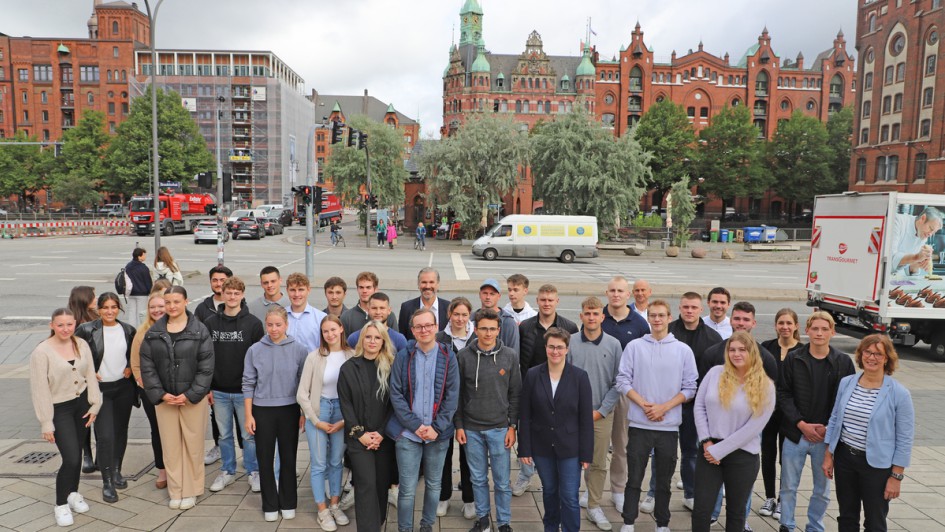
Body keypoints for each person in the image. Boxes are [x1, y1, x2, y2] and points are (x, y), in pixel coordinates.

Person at [615, 299, 698, 532]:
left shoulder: (683, 350)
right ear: (648, 318)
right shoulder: (634, 347)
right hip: (640, 425)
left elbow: (690, 387)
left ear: (669, 317)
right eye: (653, 315)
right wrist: (644, 405)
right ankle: (629, 521)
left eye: (661, 315)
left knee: (664, 481)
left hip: (668, 427)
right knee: (634, 479)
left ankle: (662, 524)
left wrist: (664, 407)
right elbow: (622, 380)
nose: (657, 319)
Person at [823, 335, 915, 532]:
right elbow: (835, 419)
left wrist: (896, 476)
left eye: (878, 353)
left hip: (877, 466)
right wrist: (828, 455)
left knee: (875, 521)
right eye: (867, 352)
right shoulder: (847, 383)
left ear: (887, 358)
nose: (871, 357)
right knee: (847, 516)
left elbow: (905, 439)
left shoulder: (899, 393)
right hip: (845, 458)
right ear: (860, 354)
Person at [778, 311, 856, 532]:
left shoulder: (843, 362)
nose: (819, 333)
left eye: (824, 329)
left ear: (833, 331)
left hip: (826, 438)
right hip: (795, 434)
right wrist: (801, 424)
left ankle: (815, 527)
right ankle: (787, 524)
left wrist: (828, 429)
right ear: (806, 330)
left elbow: (845, 401)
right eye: (815, 328)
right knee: (788, 486)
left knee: (822, 488)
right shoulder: (794, 358)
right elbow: (783, 394)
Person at [692, 331, 776, 532]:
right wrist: (706, 442)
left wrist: (719, 450)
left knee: (736, 512)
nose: (736, 354)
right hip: (708, 450)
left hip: (742, 455)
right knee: (701, 509)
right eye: (732, 349)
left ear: (752, 352)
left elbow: (754, 427)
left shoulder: (765, 385)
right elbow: (699, 406)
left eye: (742, 350)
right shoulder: (714, 373)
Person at [139, 286, 214, 511]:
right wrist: (160, 394)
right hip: (165, 400)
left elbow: (206, 367)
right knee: (170, 447)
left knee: (192, 445)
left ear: (186, 302)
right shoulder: (153, 333)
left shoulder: (200, 330)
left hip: (192, 399)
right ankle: (176, 489)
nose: (172, 306)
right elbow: (147, 366)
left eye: (176, 302)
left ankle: (191, 490)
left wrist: (191, 394)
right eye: (168, 302)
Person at [387, 308, 460, 532]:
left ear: (436, 327)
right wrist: (416, 426)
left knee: (433, 484)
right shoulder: (403, 356)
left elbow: (452, 395)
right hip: (409, 434)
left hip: (438, 435)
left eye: (428, 325)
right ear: (412, 330)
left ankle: (426, 526)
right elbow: (396, 394)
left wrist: (436, 428)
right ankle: (405, 529)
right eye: (418, 326)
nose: (424, 330)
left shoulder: (449, 356)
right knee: (407, 489)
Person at [29, 308, 102, 527]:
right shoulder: (41, 352)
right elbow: (40, 390)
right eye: (60, 325)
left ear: (75, 324)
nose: (65, 329)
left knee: (78, 454)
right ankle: (61, 504)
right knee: (70, 457)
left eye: (69, 324)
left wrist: (96, 404)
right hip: (58, 409)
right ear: (52, 325)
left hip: (81, 406)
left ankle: (73, 493)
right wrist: (46, 422)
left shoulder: (81, 344)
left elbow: (90, 374)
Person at [519, 327, 594, 532]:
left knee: (569, 495)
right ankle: (550, 527)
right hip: (542, 446)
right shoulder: (533, 375)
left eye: (560, 347)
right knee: (550, 491)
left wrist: (586, 453)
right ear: (545, 348)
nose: (555, 351)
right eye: (551, 347)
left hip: (570, 447)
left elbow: (586, 419)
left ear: (567, 349)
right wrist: (524, 448)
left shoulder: (579, 377)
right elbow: (524, 414)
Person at [456, 308, 522, 532]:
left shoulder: (510, 356)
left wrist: (512, 426)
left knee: (502, 482)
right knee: (478, 479)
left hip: (500, 429)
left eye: (492, 329)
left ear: (498, 330)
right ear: (475, 329)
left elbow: (515, 393)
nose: (487, 333)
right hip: (472, 429)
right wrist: (459, 426)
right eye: (483, 328)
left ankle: (504, 522)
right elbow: (457, 395)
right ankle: (483, 519)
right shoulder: (463, 356)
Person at [243, 306, 308, 522]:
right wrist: (249, 415)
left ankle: (288, 501)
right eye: (269, 324)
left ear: (286, 325)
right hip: (262, 410)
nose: (274, 329)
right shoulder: (255, 350)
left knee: (288, 458)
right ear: (265, 324)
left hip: (289, 409)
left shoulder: (299, 350)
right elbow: (248, 383)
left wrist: (302, 412)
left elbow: (302, 384)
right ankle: (269, 504)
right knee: (265, 458)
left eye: (278, 324)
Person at [204, 276, 265, 494]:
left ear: (242, 295)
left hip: (244, 392)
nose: (232, 297)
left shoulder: (254, 324)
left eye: (236, 293)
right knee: (224, 435)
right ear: (223, 293)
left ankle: (253, 471)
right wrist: (208, 388)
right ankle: (227, 470)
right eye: (228, 293)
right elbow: (206, 358)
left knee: (249, 435)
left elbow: (260, 359)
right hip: (219, 391)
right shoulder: (211, 323)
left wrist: (257, 389)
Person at [74, 293, 137, 503]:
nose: (110, 311)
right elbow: (73, 357)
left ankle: (117, 470)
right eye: (105, 307)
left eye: (114, 307)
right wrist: (87, 372)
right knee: (106, 436)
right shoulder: (86, 330)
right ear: (98, 310)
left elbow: (133, 356)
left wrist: (130, 366)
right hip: (99, 391)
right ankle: (107, 481)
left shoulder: (128, 330)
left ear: (119, 308)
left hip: (123, 388)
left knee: (120, 432)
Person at [567, 297, 623, 531]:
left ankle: (593, 505)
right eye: (587, 313)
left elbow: (618, 382)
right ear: (581, 316)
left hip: (601, 414)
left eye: (595, 313)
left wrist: (601, 411)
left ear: (602, 317)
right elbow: (563, 379)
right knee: (570, 462)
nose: (591, 317)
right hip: (572, 414)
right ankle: (568, 503)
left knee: (598, 463)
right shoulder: (569, 342)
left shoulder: (613, 344)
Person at [338, 320, 396, 531]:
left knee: (381, 485)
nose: (372, 341)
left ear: (383, 341)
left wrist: (381, 433)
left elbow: (394, 405)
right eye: (368, 336)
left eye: (377, 337)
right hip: (358, 439)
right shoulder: (348, 368)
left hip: (384, 437)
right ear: (362, 339)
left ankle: (377, 524)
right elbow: (346, 404)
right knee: (365, 485)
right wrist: (360, 434)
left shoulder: (390, 366)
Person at [298, 315, 353, 531]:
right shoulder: (314, 357)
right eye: (325, 331)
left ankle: (335, 505)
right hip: (319, 410)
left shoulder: (351, 355)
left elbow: (355, 392)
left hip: (342, 410)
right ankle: (322, 510)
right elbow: (302, 394)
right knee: (319, 463)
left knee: (336, 461)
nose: (329, 334)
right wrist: (315, 420)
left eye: (333, 329)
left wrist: (344, 421)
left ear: (341, 329)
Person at [601, 276, 650, 513]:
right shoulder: (597, 318)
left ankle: (618, 491)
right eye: (612, 290)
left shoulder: (640, 324)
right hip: (599, 391)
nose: (616, 294)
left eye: (620, 291)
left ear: (628, 295)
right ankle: (593, 492)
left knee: (621, 445)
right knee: (595, 446)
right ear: (606, 292)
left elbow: (646, 360)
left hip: (626, 393)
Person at [758, 308, 804, 520]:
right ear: (776, 325)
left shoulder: (803, 351)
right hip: (768, 412)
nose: (785, 327)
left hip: (790, 414)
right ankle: (769, 496)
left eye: (789, 323)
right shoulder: (766, 348)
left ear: (795, 326)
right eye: (781, 323)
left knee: (787, 458)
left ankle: (783, 499)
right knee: (768, 455)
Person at [435, 297, 477, 519]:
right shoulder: (439, 339)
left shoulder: (477, 339)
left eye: (464, 314)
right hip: (445, 407)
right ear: (449, 315)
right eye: (456, 314)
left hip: (470, 407)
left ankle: (469, 499)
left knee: (469, 455)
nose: (460, 319)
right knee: (443, 454)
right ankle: (443, 497)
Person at [193, 265, 233, 466]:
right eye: (215, 280)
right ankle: (219, 447)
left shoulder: (239, 303)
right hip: (213, 372)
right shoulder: (202, 308)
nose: (218, 284)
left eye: (222, 280)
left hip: (235, 371)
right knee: (217, 415)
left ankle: (245, 452)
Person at [130, 291, 168, 490]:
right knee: (158, 430)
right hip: (151, 392)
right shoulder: (142, 333)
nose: (157, 310)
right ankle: (162, 469)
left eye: (161, 306)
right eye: (153, 307)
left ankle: (176, 467)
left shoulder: (175, 327)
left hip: (173, 391)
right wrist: (147, 386)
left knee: (174, 431)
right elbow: (135, 365)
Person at [68, 286, 99, 475]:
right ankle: (86, 455)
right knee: (86, 417)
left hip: (102, 375)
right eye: (93, 296)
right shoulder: (73, 323)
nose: (96, 298)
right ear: (85, 299)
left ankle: (96, 456)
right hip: (82, 379)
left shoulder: (97, 316)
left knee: (99, 416)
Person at [398, 267, 450, 341]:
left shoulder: (448, 307)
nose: (427, 286)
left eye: (431, 282)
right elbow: (403, 338)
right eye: (424, 282)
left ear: (438, 284)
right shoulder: (406, 308)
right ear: (418, 284)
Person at [890, 206, 943, 276]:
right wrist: (916, 257)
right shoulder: (898, 221)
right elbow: (891, 258)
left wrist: (918, 264)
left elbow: (909, 269)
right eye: (930, 228)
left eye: (933, 232)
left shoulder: (923, 235)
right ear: (923, 218)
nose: (930, 234)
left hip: (896, 278)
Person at [284, 272, 327, 353]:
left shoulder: (321, 318)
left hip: (312, 365)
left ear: (308, 290)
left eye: (301, 290)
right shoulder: (279, 317)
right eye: (292, 290)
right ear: (287, 290)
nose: (297, 294)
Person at [477, 279, 520, 355]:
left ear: (499, 296)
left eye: (492, 294)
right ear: (479, 294)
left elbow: (514, 354)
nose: (488, 297)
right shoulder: (471, 319)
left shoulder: (509, 323)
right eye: (485, 293)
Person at [124, 247, 153, 327]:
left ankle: (131, 330)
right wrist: (150, 292)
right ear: (139, 256)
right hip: (142, 294)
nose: (145, 256)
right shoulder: (143, 268)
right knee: (141, 313)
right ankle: (140, 330)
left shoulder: (128, 266)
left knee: (132, 313)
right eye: (144, 255)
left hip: (131, 292)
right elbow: (148, 282)